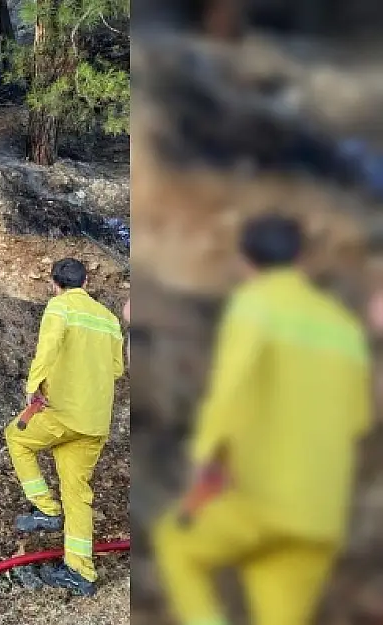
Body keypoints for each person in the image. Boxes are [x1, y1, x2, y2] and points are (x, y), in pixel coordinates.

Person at [153, 214, 372, 625]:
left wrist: (203, 462)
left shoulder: (257, 305)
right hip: (322, 510)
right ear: (301, 259)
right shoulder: (345, 328)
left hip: (261, 495)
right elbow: (357, 421)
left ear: (244, 261)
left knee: (177, 545)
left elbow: (229, 391)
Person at [5, 258, 124, 596]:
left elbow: (49, 346)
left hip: (61, 413)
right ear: (86, 282)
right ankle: (80, 572)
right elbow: (116, 369)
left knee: (17, 437)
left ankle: (44, 507)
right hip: (94, 422)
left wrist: (34, 385)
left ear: (54, 283)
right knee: (77, 493)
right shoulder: (109, 319)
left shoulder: (59, 308)